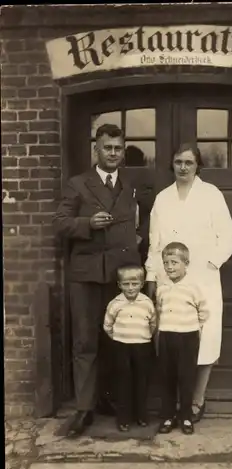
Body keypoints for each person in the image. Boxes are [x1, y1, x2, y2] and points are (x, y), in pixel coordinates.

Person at [53, 123, 141, 437]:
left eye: (118, 148)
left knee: (116, 340)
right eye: (108, 148)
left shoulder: (130, 185)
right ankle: (83, 408)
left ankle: (108, 400)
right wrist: (86, 223)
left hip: (120, 277)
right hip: (87, 276)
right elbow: (60, 224)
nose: (114, 153)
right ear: (97, 149)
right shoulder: (78, 184)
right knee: (85, 341)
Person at [145, 142, 232, 424]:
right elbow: (154, 242)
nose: (183, 167)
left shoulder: (211, 195)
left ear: (198, 166)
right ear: (171, 164)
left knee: (205, 337)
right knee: (170, 340)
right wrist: (151, 276)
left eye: (189, 162)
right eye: (178, 162)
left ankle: (197, 399)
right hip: (169, 280)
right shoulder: (162, 198)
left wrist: (211, 263)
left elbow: (228, 236)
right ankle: (172, 404)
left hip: (202, 280)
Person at [156, 242, 209, 435]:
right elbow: (159, 311)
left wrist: (194, 328)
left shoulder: (193, 287)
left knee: (186, 378)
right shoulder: (162, 288)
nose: (169, 267)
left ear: (186, 263)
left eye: (174, 262)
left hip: (188, 337)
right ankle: (168, 416)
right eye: (166, 263)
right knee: (167, 377)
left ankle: (185, 416)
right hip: (167, 337)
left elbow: (203, 312)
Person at [103, 264, 156, 432]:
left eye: (135, 284)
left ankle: (141, 415)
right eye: (126, 284)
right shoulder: (115, 304)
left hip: (142, 347)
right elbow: (107, 326)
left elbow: (153, 324)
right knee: (123, 382)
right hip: (121, 347)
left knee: (142, 381)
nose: (131, 288)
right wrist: (120, 338)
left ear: (141, 284)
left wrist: (143, 337)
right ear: (119, 285)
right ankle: (123, 418)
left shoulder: (147, 303)